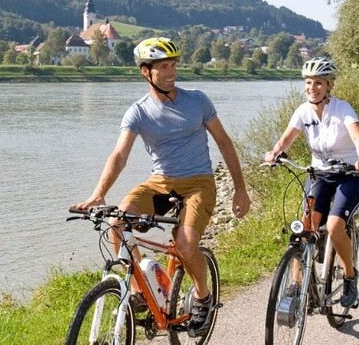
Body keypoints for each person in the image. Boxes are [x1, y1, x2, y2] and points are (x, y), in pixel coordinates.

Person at [73, 37, 251, 337]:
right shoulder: (138, 112)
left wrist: (240, 188)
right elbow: (119, 156)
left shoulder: (197, 100)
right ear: (146, 72)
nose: (171, 72)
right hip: (161, 182)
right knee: (118, 222)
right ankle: (142, 284)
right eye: (163, 67)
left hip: (199, 182)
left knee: (184, 244)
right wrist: (99, 193)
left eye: (173, 65)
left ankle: (203, 296)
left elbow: (224, 143)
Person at [264, 56, 359, 308]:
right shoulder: (303, 111)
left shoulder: (342, 109)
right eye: (309, 82)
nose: (312, 87)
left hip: (349, 176)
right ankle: (297, 283)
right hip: (319, 175)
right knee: (304, 228)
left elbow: (358, 137)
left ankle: (350, 277)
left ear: (329, 84)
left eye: (319, 83)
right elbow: (286, 139)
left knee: (334, 226)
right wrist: (274, 153)